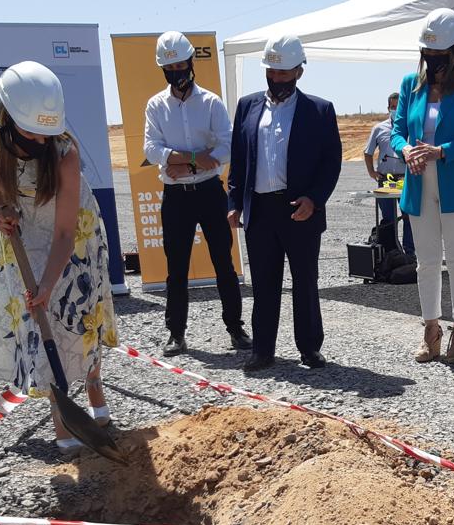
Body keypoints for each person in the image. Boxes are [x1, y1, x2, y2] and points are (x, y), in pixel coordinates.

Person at [0, 61, 119, 454]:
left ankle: (94, 389)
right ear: (5, 116)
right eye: (29, 130)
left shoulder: (64, 151)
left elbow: (65, 232)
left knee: (77, 319)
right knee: (39, 323)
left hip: (73, 233)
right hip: (19, 233)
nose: (39, 139)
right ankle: (64, 423)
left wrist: (50, 284)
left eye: (45, 132)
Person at [227, 35, 342, 372]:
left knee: (305, 280)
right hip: (259, 210)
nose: (277, 79)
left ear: (299, 72)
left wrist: (315, 199)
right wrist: (235, 201)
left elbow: (331, 161)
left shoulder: (319, 110)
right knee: (264, 282)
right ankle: (262, 350)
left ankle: (309, 349)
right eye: (271, 72)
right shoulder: (248, 107)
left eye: (283, 73)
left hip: (299, 209)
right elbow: (238, 160)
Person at [143, 31, 252, 356]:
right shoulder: (156, 105)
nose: (176, 72)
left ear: (191, 62)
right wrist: (194, 159)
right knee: (176, 267)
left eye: (180, 64)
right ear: (164, 70)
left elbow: (226, 144)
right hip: (176, 197)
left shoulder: (211, 102)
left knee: (223, 262)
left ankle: (236, 329)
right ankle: (176, 333)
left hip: (208, 192)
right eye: (169, 67)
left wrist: (181, 162)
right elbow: (151, 149)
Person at [390, 8, 454, 364]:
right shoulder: (409, 84)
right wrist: (406, 150)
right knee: (426, 261)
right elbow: (398, 131)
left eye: (438, 54)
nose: (431, 60)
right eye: (427, 54)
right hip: (418, 182)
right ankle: (431, 329)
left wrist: (441, 151)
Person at [363, 92, 414, 254]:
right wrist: (372, 172)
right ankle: (392, 252)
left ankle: (409, 251)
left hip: (407, 179)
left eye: (399, 107)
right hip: (386, 180)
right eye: (393, 107)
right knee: (389, 219)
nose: (396, 110)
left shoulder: (411, 128)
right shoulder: (379, 128)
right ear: (388, 108)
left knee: (410, 216)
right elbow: (368, 152)